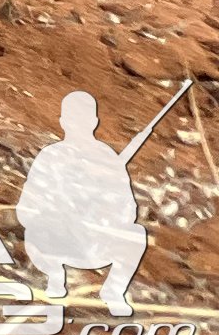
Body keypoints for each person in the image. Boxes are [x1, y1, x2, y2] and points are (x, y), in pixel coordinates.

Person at [17, 91, 150, 314]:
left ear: (94, 122)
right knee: (39, 228)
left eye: (83, 120)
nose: (78, 126)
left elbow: (129, 209)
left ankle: (114, 291)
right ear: (63, 122)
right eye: (73, 120)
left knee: (136, 234)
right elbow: (26, 210)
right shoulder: (50, 156)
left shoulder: (107, 158)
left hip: (94, 243)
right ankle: (54, 278)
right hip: (56, 242)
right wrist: (58, 210)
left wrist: (102, 213)